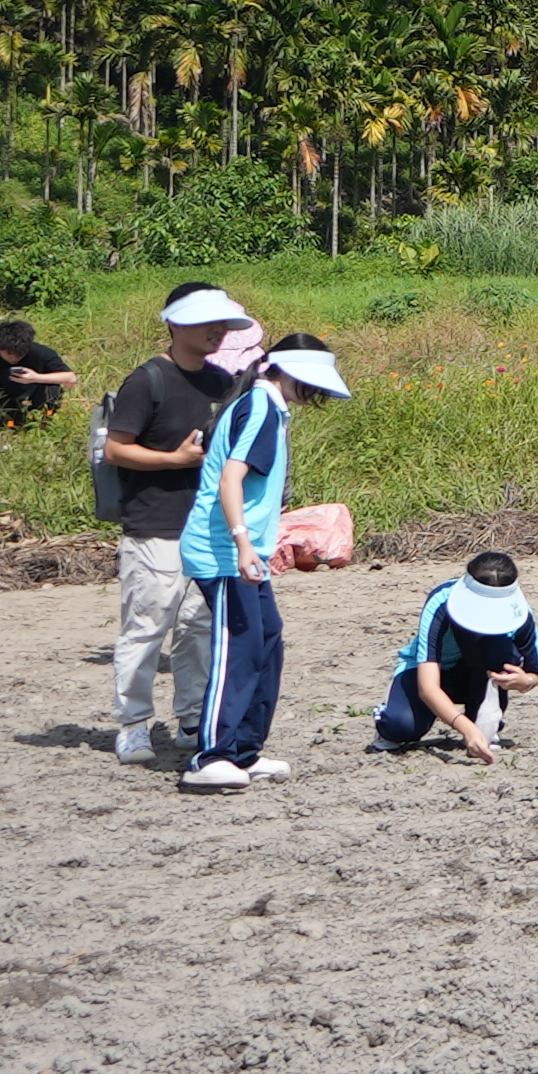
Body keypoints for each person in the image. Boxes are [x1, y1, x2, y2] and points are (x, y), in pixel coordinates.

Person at [174, 334, 351, 795]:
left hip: (243, 551)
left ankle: (245, 750)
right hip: (223, 553)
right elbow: (230, 479)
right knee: (240, 647)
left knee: (267, 639)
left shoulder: (268, 406)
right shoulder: (259, 407)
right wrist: (243, 544)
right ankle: (211, 755)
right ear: (286, 372)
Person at [99, 283, 245, 766]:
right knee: (146, 627)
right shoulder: (147, 380)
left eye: (221, 322)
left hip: (206, 528)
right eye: (207, 321)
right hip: (154, 526)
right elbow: (116, 449)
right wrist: (175, 459)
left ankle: (191, 719)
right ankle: (133, 724)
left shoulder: (222, 381)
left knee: (198, 627)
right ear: (174, 324)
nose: (217, 331)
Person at [370, 555, 538, 763]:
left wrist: (523, 681)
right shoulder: (441, 601)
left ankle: (482, 719)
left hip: (476, 675)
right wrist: (465, 728)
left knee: (499, 649)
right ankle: (390, 713)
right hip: (430, 672)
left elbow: (534, 674)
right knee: (400, 726)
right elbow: (428, 687)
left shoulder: (521, 613)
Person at [0, 316, 73, 436]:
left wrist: (36, 377)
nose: (13, 358)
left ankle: (44, 427)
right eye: (9, 354)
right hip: (6, 403)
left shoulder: (42, 353)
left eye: (19, 354)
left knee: (53, 389)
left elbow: (71, 378)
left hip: (35, 401)